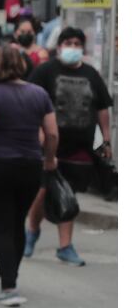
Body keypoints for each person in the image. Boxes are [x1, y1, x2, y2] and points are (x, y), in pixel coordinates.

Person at [0, 45, 57, 306]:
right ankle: (12, 278)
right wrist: (50, 158)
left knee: (0, 226)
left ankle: (8, 286)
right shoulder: (39, 94)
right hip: (30, 165)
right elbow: (52, 133)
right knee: (17, 221)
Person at [24, 28, 112, 267]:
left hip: (79, 146)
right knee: (42, 191)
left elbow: (103, 108)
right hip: (48, 145)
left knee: (68, 195)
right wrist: (37, 131)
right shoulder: (45, 71)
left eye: (77, 43)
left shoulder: (91, 74)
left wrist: (106, 139)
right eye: (68, 42)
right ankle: (32, 231)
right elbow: (30, 100)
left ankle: (65, 246)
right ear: (60, 46)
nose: (73, 47)